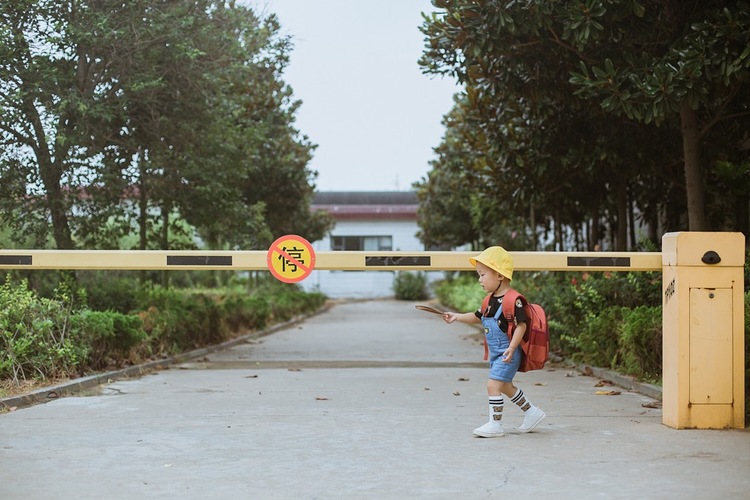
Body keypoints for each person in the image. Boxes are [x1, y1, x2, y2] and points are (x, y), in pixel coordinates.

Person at [443, 246, 546, 437]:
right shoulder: (489, 301)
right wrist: (456, 317)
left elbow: (521, 326)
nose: (479, 279)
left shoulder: (513, 301)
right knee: (505, 386)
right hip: (497, 352)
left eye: (482, 274)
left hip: (509, 351)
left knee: (493, 385)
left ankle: (495, 425)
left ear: (499, 275)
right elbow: (477, 317)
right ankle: (532, 412)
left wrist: (513, 347)